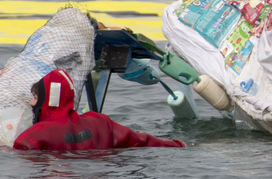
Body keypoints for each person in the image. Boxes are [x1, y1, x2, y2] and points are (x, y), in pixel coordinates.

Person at [13, 69, 185, 150]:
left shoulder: (30, 138)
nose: (31, 103)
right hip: (104, 175)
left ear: (47, 100)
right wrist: (180, 144)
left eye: (35, 97)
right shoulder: (101, 122)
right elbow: (143, 140)